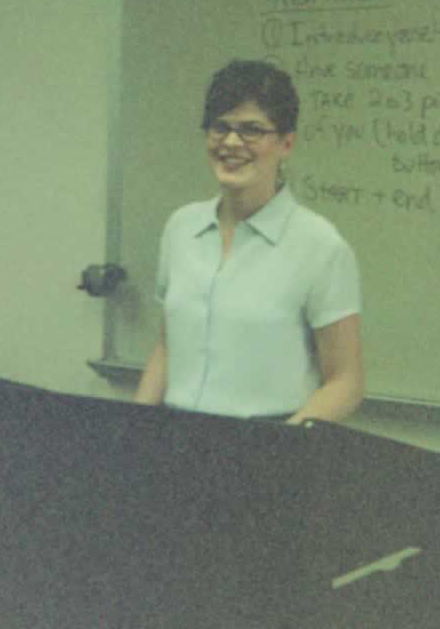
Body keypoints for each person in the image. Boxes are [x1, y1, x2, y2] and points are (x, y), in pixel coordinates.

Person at [134, 60, 364, 423]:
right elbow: (167, 347)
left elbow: (345, 382)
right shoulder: (181, 227)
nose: (230, 142)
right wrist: (132, 431)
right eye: (220, 128)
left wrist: (279, 447)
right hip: (172, 442)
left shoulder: (320, 246)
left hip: (266, 447)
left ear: (287, 143)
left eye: (251, 130)